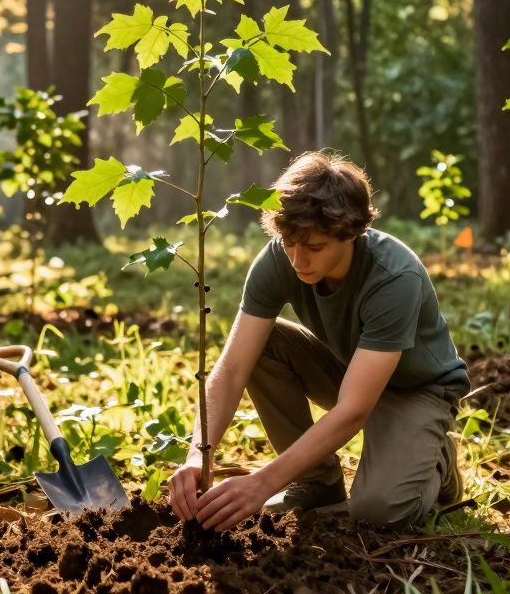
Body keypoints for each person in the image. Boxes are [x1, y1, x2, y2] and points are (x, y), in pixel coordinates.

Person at [167, 150, 470, 532]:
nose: (297, 260)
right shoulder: (281, 257)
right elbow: (231, 370)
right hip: (348, 370)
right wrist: (198, 454)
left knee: (379, 512)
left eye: (314, 247)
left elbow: (353, 410)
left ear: (353, 233)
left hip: (415, 390)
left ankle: (436, 459)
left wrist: (262, 483)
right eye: (290, 242)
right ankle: (316, 483)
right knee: (264, 344)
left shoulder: (394, 278)